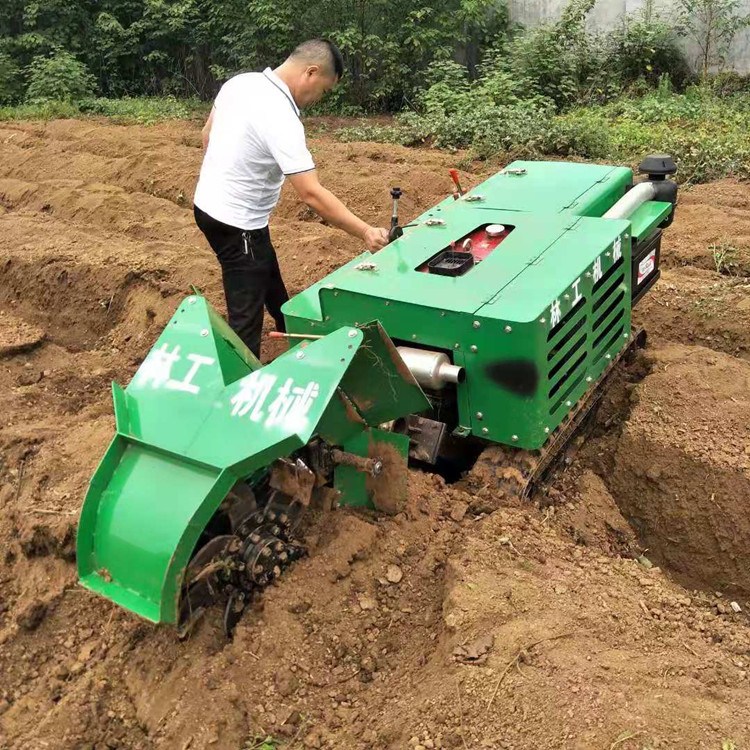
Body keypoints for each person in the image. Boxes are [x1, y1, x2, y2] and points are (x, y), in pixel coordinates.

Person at [193, 39, 389, 358]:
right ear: (310, 73)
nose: (319, 100)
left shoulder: (241, 83)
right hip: (237, 224)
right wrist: (366, 231)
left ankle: (290, 325)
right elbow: (311, 193)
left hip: (207, 207)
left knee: (264, 264)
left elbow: (207, 135)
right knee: (245, 317)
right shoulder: (282, 117)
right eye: (323, 91)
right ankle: (237, 388)